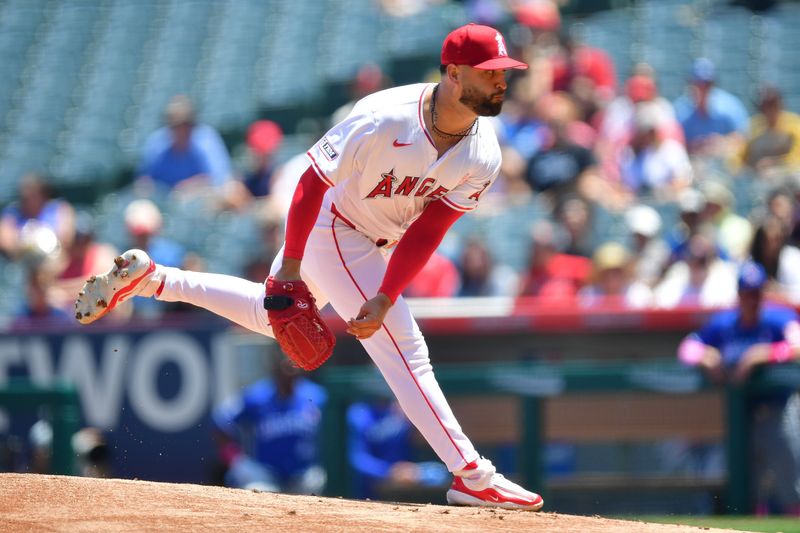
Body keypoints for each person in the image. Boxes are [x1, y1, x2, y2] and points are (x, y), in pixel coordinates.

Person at [74, 23, 544, 511]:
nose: (501, 81)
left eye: (504, 72)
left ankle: (156, 279)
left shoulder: (484, 152)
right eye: (489, 72)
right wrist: (291, 270)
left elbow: (429, 230)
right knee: (406, 349)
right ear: (452, 73)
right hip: (334, 224)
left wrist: (384, 294)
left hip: (376, 238)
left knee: (267, 314)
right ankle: (471, 474)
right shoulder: (384, 117)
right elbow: (310, 184)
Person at [677, 261, 800, 515]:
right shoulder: (725, 324)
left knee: (792, 484)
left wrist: (765, 353)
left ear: (763, 293)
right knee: (746, 487)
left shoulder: (779, 318)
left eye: (755, 293)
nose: (751, 299)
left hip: (778, 410)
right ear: (739, 294)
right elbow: (686, 349)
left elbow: (798, 345)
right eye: (746, 293)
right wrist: (706, 357)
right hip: (740, 418)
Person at [212, 357, 327, 494]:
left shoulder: (316, 395)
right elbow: (221, 420)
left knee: (316, 481)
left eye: (294, 364)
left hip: (304, 474)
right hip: (265, 473)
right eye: (285, 365)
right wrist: (235, 460)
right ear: (274, 369)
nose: (289, 370)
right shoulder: (256, 395)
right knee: (258, 490)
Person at [347, 398, 448, 500]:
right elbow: (357, 459)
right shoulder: (360, 413)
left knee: (439, 473)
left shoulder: (400, 411)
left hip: (408, 473)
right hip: (374, 481)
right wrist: (389, 472)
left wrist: (410, 418)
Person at [137, 95, 232, 190]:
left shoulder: (206, 139)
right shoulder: (156, 143)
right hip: (164, 200)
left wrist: (192, 186)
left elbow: (221, 179)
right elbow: (144, 181)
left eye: (185, 125)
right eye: (174, 126)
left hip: (200, 199)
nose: (180, 130)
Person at [673, 58, 749, 157]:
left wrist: (722, 142)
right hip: (692, 165)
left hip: (723, 166)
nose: (702, 88)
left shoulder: (730, 106)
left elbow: (744, 139)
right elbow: (670, 145)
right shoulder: (680, 110)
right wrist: (694, 145)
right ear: (689, 84)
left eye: (707, 84)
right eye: (698, 84)